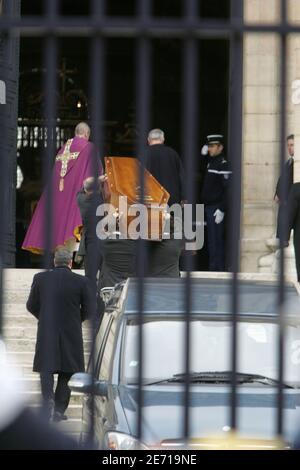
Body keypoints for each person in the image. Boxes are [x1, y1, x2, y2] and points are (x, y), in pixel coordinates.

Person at [26, 248, 95, 422]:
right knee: (68, 370)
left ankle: (47, 401)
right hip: (71, 331)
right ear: (70, 263)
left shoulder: (40, 279)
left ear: (54, 262)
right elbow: (89, 309)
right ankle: (58, 410)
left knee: (46, 368)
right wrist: (76, 319)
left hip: (46, 329)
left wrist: (43, 317)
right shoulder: (81, 281)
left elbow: (31, 305)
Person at [22, 122, 103, 254]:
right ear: (87, 134)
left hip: (57, 197)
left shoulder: (62, 149)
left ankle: (61, 260)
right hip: (75, 197)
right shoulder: (89, 148)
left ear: (75, 133)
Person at [200, 134, 231, 271]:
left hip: (217, 207)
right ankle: (213, 268)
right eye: (209, 146)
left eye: (213, 146)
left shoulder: (223, 164)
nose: (210, 149)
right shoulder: (211, 162)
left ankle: (218, 269)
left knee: (216, 241)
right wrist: (202, 156)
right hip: (209, 207)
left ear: (220, 147)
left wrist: (222, 209)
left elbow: (228, 189)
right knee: (211, 241)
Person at [76, 175, 107, 286]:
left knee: (90, 276)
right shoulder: (101, 200)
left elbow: (81, 190)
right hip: (103, 243)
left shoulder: (80, 199)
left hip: (89, 244)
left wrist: (97, 181)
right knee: (105, 275)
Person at [145, 128, 184, 206]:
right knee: (172, 218)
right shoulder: (173, 153)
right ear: (163, 139)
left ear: (148, 140)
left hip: (150, 200)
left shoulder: (143, 154)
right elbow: (182, 176)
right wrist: (184, 197)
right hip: (172, 200)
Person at [274, 134, 294, 239]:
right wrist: (277, 194)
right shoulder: (288, 162)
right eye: (288, 145)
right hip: (284, 202)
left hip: (290, 202)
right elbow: (281, 179)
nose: (289, 148)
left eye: (292, 145)